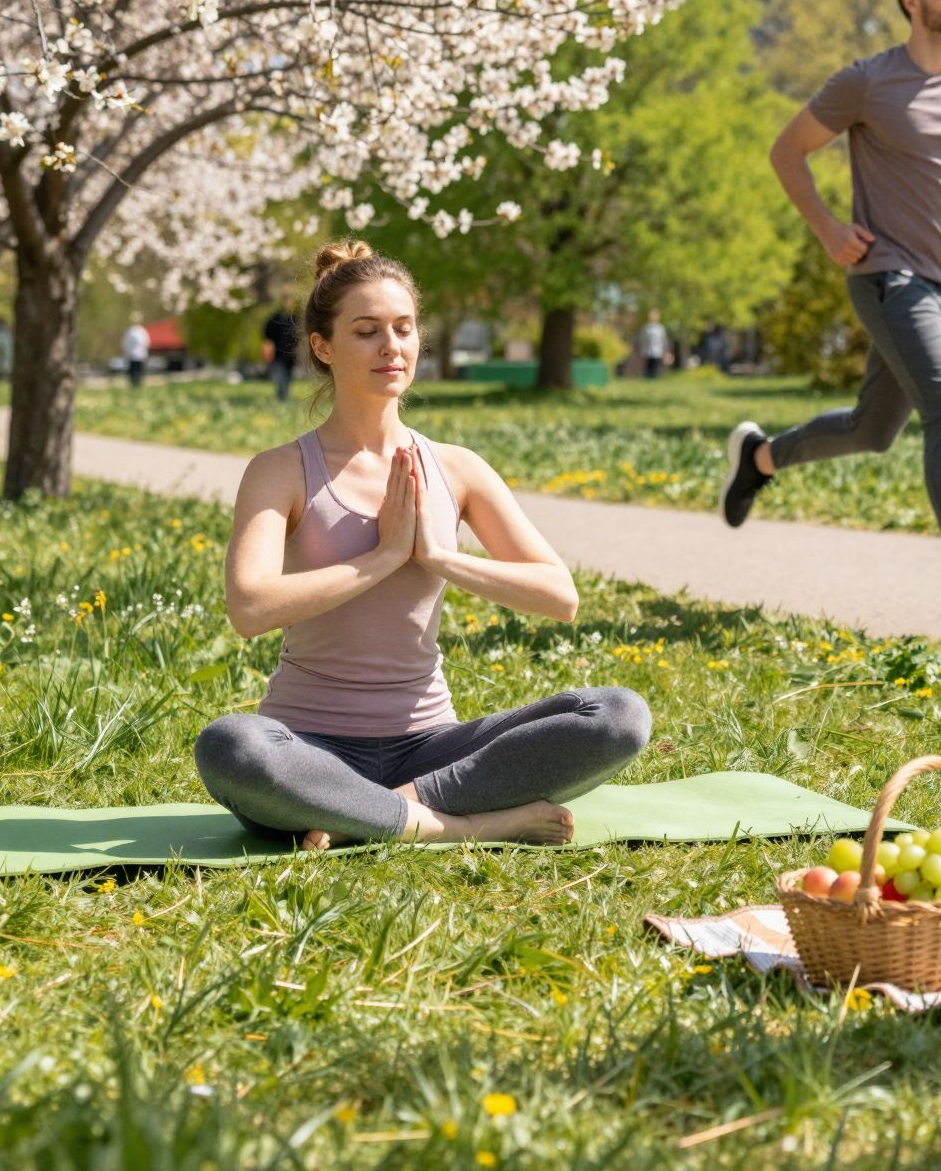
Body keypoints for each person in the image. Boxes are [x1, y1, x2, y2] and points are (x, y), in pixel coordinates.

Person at [197, 241, 650, 848]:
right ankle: (461, 827)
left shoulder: (456, 468)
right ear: (322, 346)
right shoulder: (281, 469)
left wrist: (440, 557)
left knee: (618, 716)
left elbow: (560, 595)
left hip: (433, 753)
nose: (391, 346)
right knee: (230, 744)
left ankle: (373, 815)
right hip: (308, 749)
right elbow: (248, 607)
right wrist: (381, 558)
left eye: (403, 329)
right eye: (366, 331)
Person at [716, 0, 941, 640]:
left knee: (873, 431)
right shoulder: (868, 81)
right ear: (912, 1)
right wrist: (830, 230)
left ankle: (761, 457)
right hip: (887, 276)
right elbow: (787, 150)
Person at [263, 303, 301, 403]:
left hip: (291, 355)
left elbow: (299, 336)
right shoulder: (275, 317)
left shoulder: (294, 318)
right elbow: (267, 336)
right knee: (281, 376)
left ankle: (283, 396)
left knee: (287, 377)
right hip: (278, 354)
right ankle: (282, 397)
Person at [121, 315, 150, 387]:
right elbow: (147, 343)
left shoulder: (134, 331)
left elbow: (124, 343)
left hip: (136, 356)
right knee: (135, 372)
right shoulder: (139, 331)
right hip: (135, 356)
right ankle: (135, 384)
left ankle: (136, 384)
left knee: (136, 372)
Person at [639, 310, 669, 380]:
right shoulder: (646, 328)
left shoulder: (660, 328)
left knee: (656, 367)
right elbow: (642, 340)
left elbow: (663, 340)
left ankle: (654, 379)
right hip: (647, 351)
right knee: (648, 367)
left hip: (657, 351)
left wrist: (666, 351)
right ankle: (648, 380)